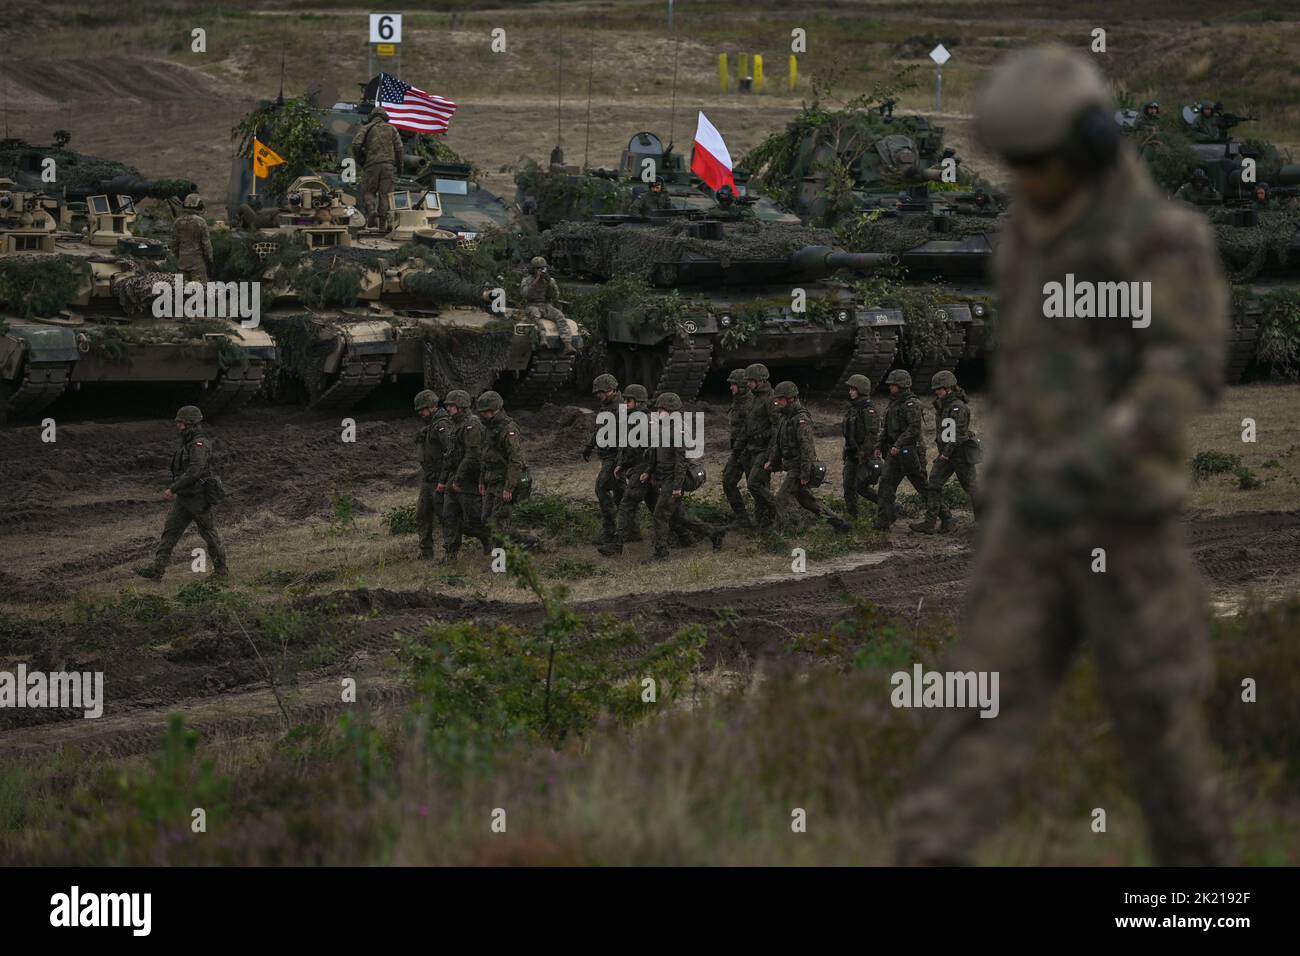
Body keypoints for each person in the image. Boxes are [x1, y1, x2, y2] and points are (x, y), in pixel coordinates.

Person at [894, 46, 1232, 866]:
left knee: (1161, 730)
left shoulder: (1161, 240)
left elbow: (1185, 367)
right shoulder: (1023, 233)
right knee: (975, 708)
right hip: (1028, 520)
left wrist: (1099, 451)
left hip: (1125, 523)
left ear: (1086, 144)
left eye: (1033, 164)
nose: (1020, 180)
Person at [135, 405, 228, 581]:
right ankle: (157, 571)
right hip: (185, 498)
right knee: (170, 533)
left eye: (182, 423)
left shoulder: (198, 444)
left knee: (209, 534)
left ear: (191, 424)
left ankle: (222, 572)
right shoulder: (188, 442)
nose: (178, 426)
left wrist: (173, 488)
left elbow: (195, 470)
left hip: (198, 498)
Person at [642, 392, 724, 560]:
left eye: (662, 409)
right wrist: (648, 472)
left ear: (671, 410)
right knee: (680, 516)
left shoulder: (678, 432)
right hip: (664, 478)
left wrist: (677, 487)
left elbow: (681, 463)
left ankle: (661, 553)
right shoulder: (662, 428)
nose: (658, 412)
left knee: (660, 515)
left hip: (673, 479)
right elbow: (654, 454)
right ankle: (714, 533)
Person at [765, 381, 852, 533]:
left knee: (780, 500)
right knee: (807, 501)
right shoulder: (784, 417)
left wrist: (805, 473)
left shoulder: (800, 419)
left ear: (791, 399)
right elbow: (778, 443)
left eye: (781, 399)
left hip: (799, 467)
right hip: (792, 465)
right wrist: (772, 461)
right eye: (776, 399)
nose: (777, 402)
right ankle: (839, 524)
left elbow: (807, 448)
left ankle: (779, 533)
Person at [910, 370, 980, 534]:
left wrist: (945, 453)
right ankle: (932, 522)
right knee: (933, 484)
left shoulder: (958, 407)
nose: (936, 392)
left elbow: (958, 435)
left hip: (959, 454)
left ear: (948, 388)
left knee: (971, 487)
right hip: (947, 454)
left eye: (939, 388)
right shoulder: (943, 406)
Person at [476, 390, 536, 548]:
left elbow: (515, 460)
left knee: (498, 523)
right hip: (492, 480)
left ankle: (500, 563)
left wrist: (509, 487)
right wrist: (482, 480)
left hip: (504, 482)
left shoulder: (508, 429)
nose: (483, 415)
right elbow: (485, 456)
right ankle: (524, 541)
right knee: (486, 519)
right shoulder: (489, 428)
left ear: (495, 410)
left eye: (486, 412)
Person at [439, 389, 492, 561]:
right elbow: (450, 453)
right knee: (449, 516)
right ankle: (450, 553)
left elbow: (472, 455)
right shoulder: (455, 424)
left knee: (473, 519)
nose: (448, 409)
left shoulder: (472, 424)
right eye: (447, 406)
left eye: (452, 406)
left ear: (461, 406)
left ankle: (489, 540)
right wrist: (445, 479)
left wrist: (459, 479)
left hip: (469, 479)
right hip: (455, 478)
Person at [873, 369, 927, 531]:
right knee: (886, 484)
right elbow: (887, 429)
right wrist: (878, 445)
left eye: (893, 385)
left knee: (922, 485)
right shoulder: (894, 403)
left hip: (910, 451)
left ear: (902, 385)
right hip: (894, 452)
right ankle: (884, 520)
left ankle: (944, 516)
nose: (890, 388)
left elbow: (914, 429)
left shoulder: (912, 404)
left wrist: (897, 444)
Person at [583, 373, 624, 543]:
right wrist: (590, 445)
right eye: (597, 393)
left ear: (612, 390)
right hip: (607, 454)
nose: (599, 396)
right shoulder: (607, 406)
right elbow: (600, 429)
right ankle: (629, 529)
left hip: (614, 456)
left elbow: (625, 438)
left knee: (601, 488)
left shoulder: (620, 408)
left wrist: (621, 462)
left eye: (602, 392)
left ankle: (609, 530)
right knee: (621, 494)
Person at [740, 363, 779, 529]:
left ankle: (779, 508)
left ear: (760, 381)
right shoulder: (753, 398)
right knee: (758, 488)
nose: (748, 384)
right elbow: (747, 423)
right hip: (751, 448)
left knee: (754, 483)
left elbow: (777, 427)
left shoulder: (771, 399)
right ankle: (762, 523)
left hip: (764, 449)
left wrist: (772, 453)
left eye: (751, 380)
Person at [413, 389, 450, 560]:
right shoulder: (431, 425)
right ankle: (426, 552)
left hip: (440, 479)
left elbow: (450, 453)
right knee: (422, 514)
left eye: (423, 409)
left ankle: (451, 551)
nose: (421, 413)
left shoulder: (442, 425)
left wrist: (445, 478)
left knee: (445, 516)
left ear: (433, 407)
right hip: (429, 478)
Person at [352, 107, 403, 231]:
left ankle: (371, 210)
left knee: (368, 191)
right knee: (385, 195)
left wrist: (361, 160)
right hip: (388, 166)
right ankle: (382, 225)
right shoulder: (392, 129)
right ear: (385, 117)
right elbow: (399, 149)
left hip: (371, 165)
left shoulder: (366, 128)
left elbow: (356, 144)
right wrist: (400, 167)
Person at [841, 373, 881, 518]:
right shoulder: (853, 408)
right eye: (850, 389)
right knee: (848, 486)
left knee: (861, 487)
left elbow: (872, 434)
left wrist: (864, 453)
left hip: (864, 455)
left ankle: (887, 505)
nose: (850, 392)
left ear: (861, 390)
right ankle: (853, 516)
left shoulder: (868, 410)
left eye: (853, 389)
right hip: (852, 454)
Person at [520, 256, 579, 355]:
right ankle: (543, 338)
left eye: (543, 268)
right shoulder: (527, 280)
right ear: (533, 270)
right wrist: (535, 281)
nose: (541, 270)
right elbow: (525, 295)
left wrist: (550, 284)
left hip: (546, 305)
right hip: (532, 305)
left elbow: (555, 296)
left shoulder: (549, 280)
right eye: (538, 268)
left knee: (559, 316)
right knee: (535, 317)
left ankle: (567, 344)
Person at [722, 369, 754, 527]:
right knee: (728, 480)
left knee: (755, 486)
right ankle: (742, 518)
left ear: (742, 385)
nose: (731, 388)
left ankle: (767, 520)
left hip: (750, 451)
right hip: (738, 451)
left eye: (733, 384)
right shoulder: (738, 400)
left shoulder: (750, 404)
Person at [171, 193, 213, 284]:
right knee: (200, 293)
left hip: (182, 263)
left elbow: (174, 245)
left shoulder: (177, 222)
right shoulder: (200, 222)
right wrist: (210, 260)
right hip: (197, 265)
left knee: (181, 293)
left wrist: (179, 257)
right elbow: (206, 245)